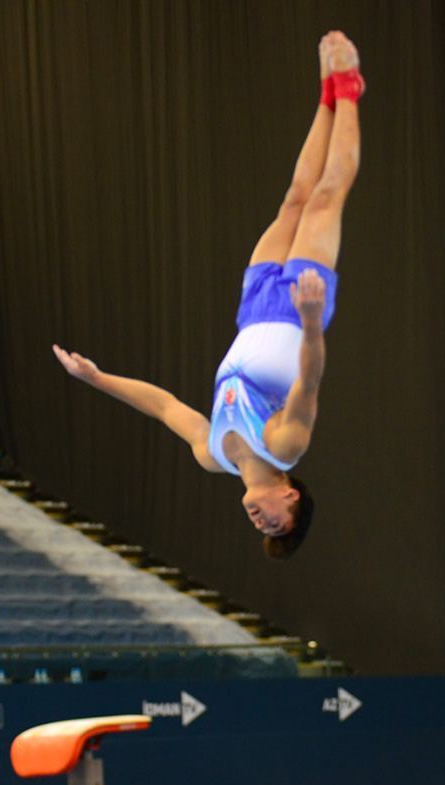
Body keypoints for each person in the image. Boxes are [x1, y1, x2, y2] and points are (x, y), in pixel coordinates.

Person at [53, 31, 364, 559]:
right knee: (325, 199)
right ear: (291, 495)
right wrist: (312, 320)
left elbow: (163, 406)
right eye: (276, 522)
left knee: (293, 200)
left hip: (253, 307)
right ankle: (349, 89)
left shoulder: (211, 453)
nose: (261, 521)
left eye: (261, 529)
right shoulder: (286, 444)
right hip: (297, 313)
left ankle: (325, 98)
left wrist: (96, 378)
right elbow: (309, 378)